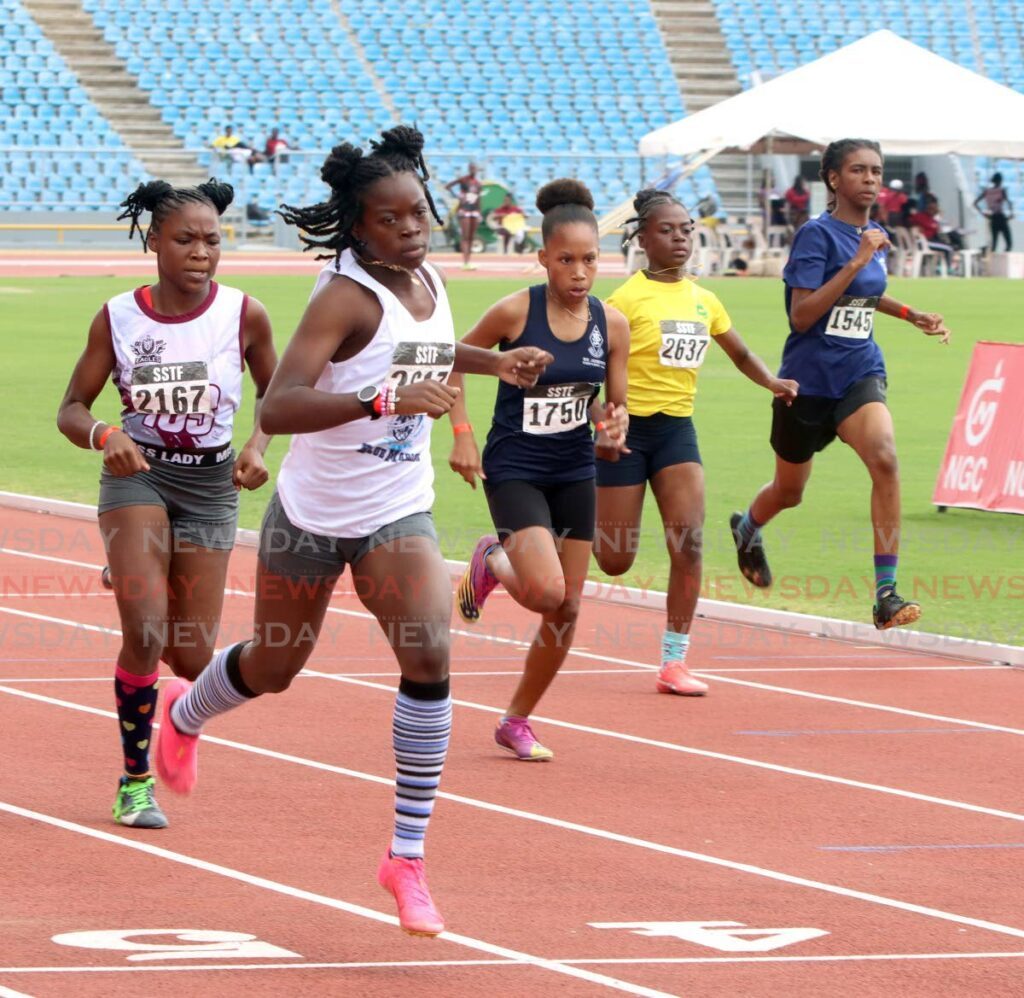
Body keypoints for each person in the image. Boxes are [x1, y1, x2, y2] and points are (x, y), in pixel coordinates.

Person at [151, 127, 553, 936]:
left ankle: (406, 857)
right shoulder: (341, 297)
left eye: (419, 213)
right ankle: (186, 714)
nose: (411, 229)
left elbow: (428, 349)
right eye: (391, 220)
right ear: (357, 225)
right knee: (274, 665)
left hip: (396, 505)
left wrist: (494, 363)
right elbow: (279, 407)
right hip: (311, 514)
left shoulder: (427, 277)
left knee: (429, 649)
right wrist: (381, 405)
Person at [55, 178, 278, 830]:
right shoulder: (118, 316)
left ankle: (132, 569)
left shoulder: (245, 314)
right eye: (186, 239)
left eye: (212, 240)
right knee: (146, 633)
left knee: (189, 654)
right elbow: (72, 408)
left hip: (210, 487)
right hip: (140, 478)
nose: (202, 251)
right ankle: (133, 781)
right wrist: (106, 433)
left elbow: (279, 391)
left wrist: (259, 446)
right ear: (155, 242)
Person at [730, 139, 951, 630]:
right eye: (859, 170)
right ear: (834, 178)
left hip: (858, 371)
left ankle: (885, 595)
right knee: (790, 492)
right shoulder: (816, 236)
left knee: (886, 459)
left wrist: (912, 314)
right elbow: (803, 315)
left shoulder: (873, 232)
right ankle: (747, 528)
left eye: (876, 171)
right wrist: (854, 260)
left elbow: (868, 295)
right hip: (805, 383)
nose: (871, 179)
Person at [448, 179, 629, 760]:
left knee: (570, 606)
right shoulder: (514, 311)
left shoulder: (612, 324)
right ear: (544, 257)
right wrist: (463, 436)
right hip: (516, 465)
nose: (580, 272)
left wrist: (612, 426)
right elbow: (451, 359)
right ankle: (494, 559)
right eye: (567, 260)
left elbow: (609, 404)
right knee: (549, 594)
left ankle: (516, 719)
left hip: (574, 467)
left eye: (591, 260)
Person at [592, 189, 797, 696]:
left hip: (676, 432)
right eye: (667, 230)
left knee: (689, 541)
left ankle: (674, 661)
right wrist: (602, 418)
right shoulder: (622, 302)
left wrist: (771, 381)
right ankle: (525, 543)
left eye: (687, 229)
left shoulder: (706, 300)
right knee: (615, 558)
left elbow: (741, 352)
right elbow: (588, 372)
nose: (681, 237)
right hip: (627, 432)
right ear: (642, 239)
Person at [445, 162, 483, 269]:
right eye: (471, 168)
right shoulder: (464, 180)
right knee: (465, 237)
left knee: (471, 237)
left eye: (475, 168)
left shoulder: (478, 184)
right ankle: (465, 262)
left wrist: (479, 211)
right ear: (469, 169)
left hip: (474, 211)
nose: (473, 170)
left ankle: (468, 261)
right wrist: (458, 197)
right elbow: (447, 186)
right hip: (464, 210)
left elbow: (479, 199)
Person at [974, 172, 1013, 252]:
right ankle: (1003, 259)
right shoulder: (1001, 191)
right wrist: (1011, 214)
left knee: (994, 244)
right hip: (1001, 217)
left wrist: (983, 214)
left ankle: (990, 257)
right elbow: (1009, 203)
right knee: (1008, 243)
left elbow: (975, 203)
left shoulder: (987, 191)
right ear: (1000, 181)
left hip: (992, 217)